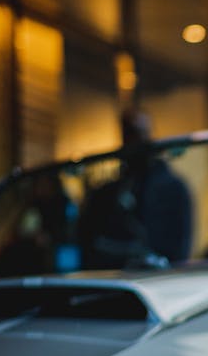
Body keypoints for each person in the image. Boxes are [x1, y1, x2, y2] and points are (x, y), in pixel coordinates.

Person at [79, 108, 193, 268]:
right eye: (128, 135)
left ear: (150, 136)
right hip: (113, 278)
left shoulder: (173, 189)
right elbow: (91, 244)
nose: (134, 142)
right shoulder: (108, 192)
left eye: (139, 133)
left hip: (158, 281)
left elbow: (178, 251)